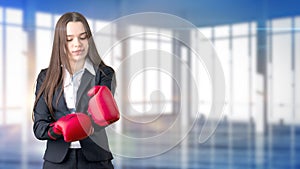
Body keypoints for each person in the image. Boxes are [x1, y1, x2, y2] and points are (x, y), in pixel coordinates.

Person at [33, 12, 116, 169]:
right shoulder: (46, 77)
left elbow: (102, 118)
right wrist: (58, 128)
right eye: (69, 39)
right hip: (57, 161)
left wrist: (86, 122)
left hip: (96, 160)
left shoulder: (104, 73)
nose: (77, 44)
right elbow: (39, 128)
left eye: (83, 37)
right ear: (60, 43)